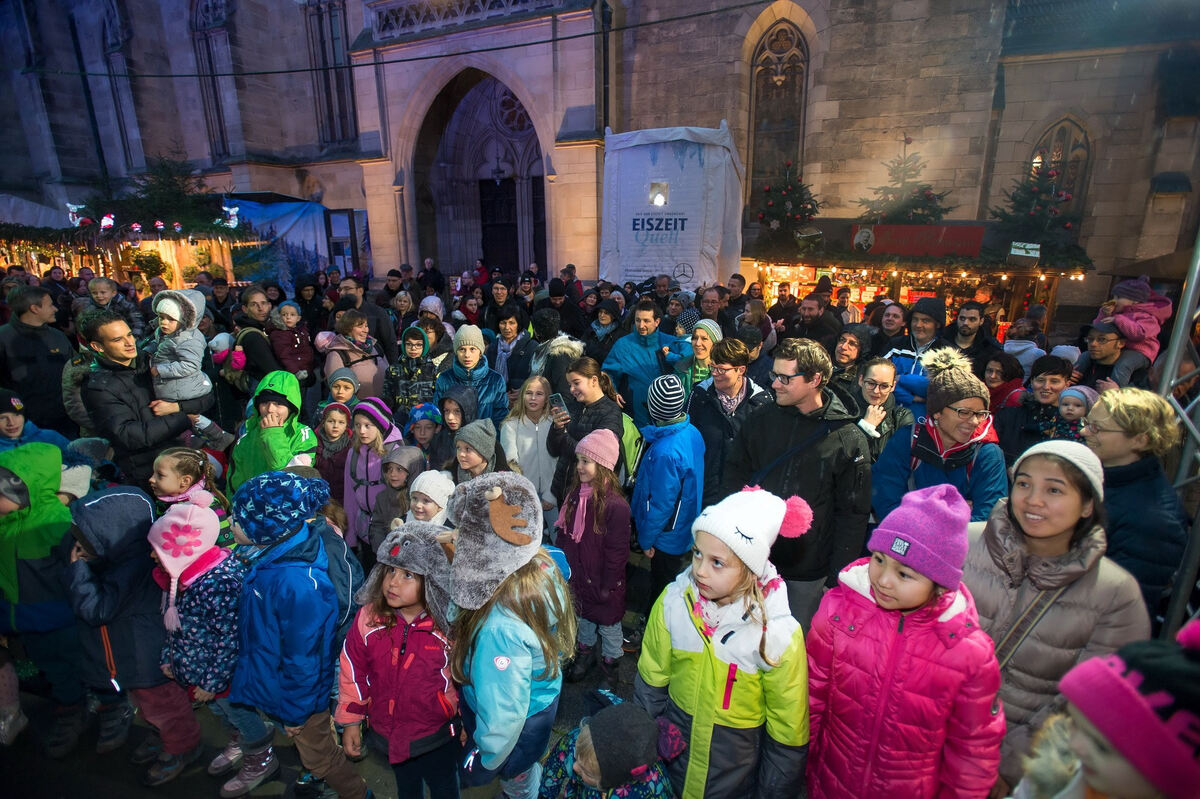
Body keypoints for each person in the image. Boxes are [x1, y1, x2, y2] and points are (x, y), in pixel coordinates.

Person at [962, 440, 1150, 792]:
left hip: (1011, 770)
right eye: (1024, 483)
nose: (1033, 500)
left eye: (1054, 489)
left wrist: (1012, 767)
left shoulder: (1115, 593)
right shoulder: (963, 543)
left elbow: (1088, 705)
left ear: (1087, 505)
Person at [806, 485, 1004, 798]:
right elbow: (811, 699)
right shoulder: (838, 611)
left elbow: (972, 750)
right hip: (830, 781)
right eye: (879, 559)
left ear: (938, 584)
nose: (883, 579)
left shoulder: (968, 653)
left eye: (905, 574)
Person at [634, 487, 811, 798]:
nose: (700, 570)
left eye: (717, 562)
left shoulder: (778, 636)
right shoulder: (673, 604)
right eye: (697, 553)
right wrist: (640, 753)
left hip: (734, 778)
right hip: (671, 763)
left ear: (749, 567)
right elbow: (650, 684)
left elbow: (787, 733)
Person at [228, 471, 368, 799]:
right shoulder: (269, 557)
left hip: (300, 699)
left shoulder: (297, 584)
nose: (230, 523)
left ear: (267, 527)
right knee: (312, 750)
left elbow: (305, 660)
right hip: (281, 686)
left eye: (239, 518)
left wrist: (296, 713)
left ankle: (355, 793)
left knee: (320, 758)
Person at [722, 337, 872, 627]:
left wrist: (838, 573)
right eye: (773, 375)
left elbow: (852, 514)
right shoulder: (761, 420)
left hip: (807, 572)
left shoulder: (847, 439)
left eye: (784, 378)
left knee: (791, 650)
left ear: (815, 379)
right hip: (753, 558)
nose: (775, 384)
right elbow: (733, 476)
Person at [450, 473, 577, 799]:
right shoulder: (542, 567)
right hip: (538, 703)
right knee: (525, 770)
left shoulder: (499, 630)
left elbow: (502, 715)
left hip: (512, 732)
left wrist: (484, 759)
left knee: (515, 781)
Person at [67, 486, 204, 782]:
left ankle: (182, 746)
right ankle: (164, 736)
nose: (81, 548)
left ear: (114, 536)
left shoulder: (127, 571)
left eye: (88, 542)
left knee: (166, 708)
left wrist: (77, 571)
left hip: (145, 661)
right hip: (137, 656)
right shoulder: (128, 560)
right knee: (154, 707)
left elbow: (95, 610)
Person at [1009, 620, 1200, 799]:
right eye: (1074, 723)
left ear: (1171, 773)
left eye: (1102, 747)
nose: (1075, 745)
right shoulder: (1054, 773)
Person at [338, 522, 461, 799]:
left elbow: (465, 678)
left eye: (408, 574)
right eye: (390, 570)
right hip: (387, 733)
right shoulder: (370, 619)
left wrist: (468, 724)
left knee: (444, 787)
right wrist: (351, 721)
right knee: (407, 787)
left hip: (436, 735)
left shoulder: (448, 629)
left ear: (434, 580)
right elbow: (353, 671)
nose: (393, 582)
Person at [149, 493, 248, 786]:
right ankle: (238, 739)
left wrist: (211, 683)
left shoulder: (216, 582)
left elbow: (230, 638)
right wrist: (170, 659)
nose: (153, 556)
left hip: (218, 678)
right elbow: (178, 625)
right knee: (221, 712)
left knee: (237, 714)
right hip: (198, 671)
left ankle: (256, 750)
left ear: (180, 550)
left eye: (157, 549)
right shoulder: (183, 578)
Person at [0, 444, 86, 756]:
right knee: (51, 667)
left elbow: (80, 568)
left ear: (26, 490)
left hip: (61, 618)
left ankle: (102, 704)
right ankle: (71, 705)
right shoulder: (4, 525)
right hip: (25, 618)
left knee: (78, 663)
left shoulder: (56, 523)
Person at [1081, 387, 1188, 618]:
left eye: (1096, 427)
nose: (1083, 431)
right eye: (1087, 422)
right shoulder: (1098, 478)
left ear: (1140, 439)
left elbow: (1124, 613)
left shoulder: (1155, 520)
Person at [872, 349, 1007, 523]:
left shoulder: (988, 453)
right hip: (906, 543)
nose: (974, 421)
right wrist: (953, 512)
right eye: (963, 412)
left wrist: (916, 509)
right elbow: (886, 502)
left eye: (980, 413)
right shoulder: (908, 439)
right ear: (937, 412)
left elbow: (987, 518)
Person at [79, 310, 210, 488]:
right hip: (150, 474)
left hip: (186, 457)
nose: (129, 343)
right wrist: (183, 417)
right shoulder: (98, 387)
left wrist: (177, 407)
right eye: (118, 340)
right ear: (98, 347)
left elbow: (205, 396)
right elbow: (128, 435)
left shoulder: (153, 361)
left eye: (130, 335)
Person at [557, 430, 631, 686]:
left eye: (586, 461)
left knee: (609, 628)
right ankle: (585, 655)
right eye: (578, 460)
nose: (579, 467)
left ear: (603, 466)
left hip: (603, 584)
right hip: (579, 577)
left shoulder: (616, 507)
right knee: (583, 621)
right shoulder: (576, 497)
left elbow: (617, 553)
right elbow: (565, 533)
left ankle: (611, 666)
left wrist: (608, 585)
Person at [632, 375, 705, 605]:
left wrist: (646, 540)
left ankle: (653, 628)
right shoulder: (692, 431)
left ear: (654, 408)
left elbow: (661, 504)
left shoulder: (666, 451)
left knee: (661, 590)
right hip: (683, 525)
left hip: (665, 536)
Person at [686, 337, 772, 506]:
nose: (715, 374)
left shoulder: (762, 403)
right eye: (713, 367)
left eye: (722, 369)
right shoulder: (699, 396)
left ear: (740, 370)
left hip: (743, 499)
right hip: (705, 492)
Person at [539, 700, 679, 799]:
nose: (575, 767)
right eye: (577, 757)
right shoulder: (575, 743)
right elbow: (554, 768)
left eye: (587, 771)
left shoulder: (651, 789)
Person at [0, 286, 77, 438]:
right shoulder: (3, 338)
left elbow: (75, 370)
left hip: (66, 422)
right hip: (24, 428)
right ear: (34, 308)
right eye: (50, 305)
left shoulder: (58, 336)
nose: (55, 309)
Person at [547, 357, 625, 504]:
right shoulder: (573, 406)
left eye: (576, 383)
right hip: (564, 489)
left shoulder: (611, 413)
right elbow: (553, 449)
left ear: (594, 380)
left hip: (589, 495)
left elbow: (593, 456)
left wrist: (564, 435)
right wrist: (556, 428)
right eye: (569, 384)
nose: (571, 390)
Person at [1074, 275, 1171, 387]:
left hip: (1141, 352)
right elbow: (1097, 328)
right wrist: (1104, 314)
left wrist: (1118, 319)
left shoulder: (1148, 317)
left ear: (1135, 300)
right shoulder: (1118, 313)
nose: (1114, 301)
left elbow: (1139, 334)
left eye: (1118, 297)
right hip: (1120, 349)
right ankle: (1072, 377)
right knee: (1085, 355)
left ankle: (1116, 388)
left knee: (1124, 363)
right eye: (1113, 296)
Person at [228, 371, 317, 492]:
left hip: (288, 508)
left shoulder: (304, 435)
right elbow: (234, 483)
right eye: (265, 403)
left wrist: (273, 434)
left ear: (291, 408)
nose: (270, 409)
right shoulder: (246, 438)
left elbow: (293, 478)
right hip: (252, 508)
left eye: (278, 404)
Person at [604, 300, 687, 428]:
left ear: (657, 321)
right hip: (635, 413)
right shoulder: (623, 344)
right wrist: (613, 392)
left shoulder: (669, 342)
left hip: (667, 415)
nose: (641, 325)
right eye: (638, 320)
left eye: (646, 321)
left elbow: (687, 363)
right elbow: (608, 373)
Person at [344, 397, 404, 549]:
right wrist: (350, 536)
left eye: (367, 425)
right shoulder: (353, 453)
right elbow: (349, 496)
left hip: (389, 530)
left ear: (380, 426)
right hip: (362, 531)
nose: (361, 431)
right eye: (357, 425)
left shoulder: (394, 453)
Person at [993, 355, 1075, 464]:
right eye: (1040, 380)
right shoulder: (1007, 416)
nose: (1046, 386)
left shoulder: (1072, 423)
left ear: (1067, 385)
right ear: (1032, 382)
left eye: (1054, 381)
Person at [501, 375, 560, 528]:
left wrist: (551, 495)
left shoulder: (555, 423)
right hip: (525, 496)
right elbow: (511, 464)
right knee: (527, 542)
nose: (533, 398)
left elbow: (560, 462)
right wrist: (525, 495)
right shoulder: (511, 425)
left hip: (553, 493)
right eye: (528, 393)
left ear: (547, 398)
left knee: (559, 539)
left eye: (539, 394)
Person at [148, 446, 233, 548]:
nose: (151, 479)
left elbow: (227, 544)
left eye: (160, 475)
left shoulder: (208, 506)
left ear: (185, 481)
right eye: (153, 473)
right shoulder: (164, 502)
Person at [883, 296, 950, 419]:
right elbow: (877, 379)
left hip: (924, 422)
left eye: (925, 321)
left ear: (938, 324)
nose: (918, 325)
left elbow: (942, 389)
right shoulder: (896, 345)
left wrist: (902, 378)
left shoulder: (946, 352)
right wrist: (910, 397)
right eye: (915, 319)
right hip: (889, 417)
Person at [433, 324, 509, 428]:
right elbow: (438, 415)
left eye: (472, 349)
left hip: (486, 441)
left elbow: (500, 418)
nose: (467, 355)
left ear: (480, 352)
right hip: (453, 441)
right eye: (462, 349)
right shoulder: (444, 379)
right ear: (456, 352)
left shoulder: (495, 380)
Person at [148, 288, 213, 404]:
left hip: (182, 390)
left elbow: (190, 365)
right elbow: (159, 344)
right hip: (167, 386)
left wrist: (160, 370)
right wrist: (148, 351)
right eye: (161, 317)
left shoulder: (189, 340)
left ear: (184, 320)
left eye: (171, 319)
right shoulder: (165, 332)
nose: (164, 322)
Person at [853, 357, 915, 462]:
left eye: (884, 386)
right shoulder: (843, 410)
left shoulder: (902, 417)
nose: (876, 391)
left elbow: (900, 461)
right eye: (871, 383)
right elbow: (837, 457)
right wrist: (865, 428)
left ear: (893, 386)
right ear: (860, 380)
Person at [367, 446, 427, 552]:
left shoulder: (422, 499)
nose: (393, 474)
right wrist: (383, 550)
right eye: (390, 469)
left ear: (413, 471)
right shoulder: (383, 497)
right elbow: (377, 527)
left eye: (399, 469)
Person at [318, 309, 387, 400]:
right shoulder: (337, 354)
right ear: (348, 328)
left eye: (366, 326)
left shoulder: (375, 347)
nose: (365, 330)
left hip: (381, 407)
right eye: (360, 326)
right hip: (356, 410)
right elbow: (337, 389)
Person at [229, 285, 283, 393]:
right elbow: (271, 369)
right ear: (245, 309)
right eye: (254, 304)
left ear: (269, 305)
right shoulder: (252, 335)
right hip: (265, 388)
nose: (260, 308)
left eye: (263, 303)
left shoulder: (265, 327)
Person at [336, 275, 399, 363]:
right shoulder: (337, 313)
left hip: (375, 366)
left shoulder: (377, 313)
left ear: (360, 290)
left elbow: (390, 343)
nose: (342, 293)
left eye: (347, 289)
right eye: (340, 289)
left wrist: (393, 367)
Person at [1075, 320, 1151, 391]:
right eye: (1090, 339)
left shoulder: (1136, 374)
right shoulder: (1084, 367)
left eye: (1102, 339)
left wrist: (1118, 393)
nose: (1093, 344)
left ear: (1121, 343)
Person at [384, 325, 439, 419]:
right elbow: (387, 397)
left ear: (424, 346)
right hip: (399, 418)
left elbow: (437, 398)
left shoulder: (433, 370)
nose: (413, 348)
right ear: (403, 345)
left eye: (418, 345)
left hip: (425, 420)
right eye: (409, 344)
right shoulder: (393, 370)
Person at [940, 300, 1001, 380]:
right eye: (962, 318)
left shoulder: (989, 349)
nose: (965, 323)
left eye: (972, 319)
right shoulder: (940, 342)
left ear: (981, 321)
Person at [0, 389, 71, 453]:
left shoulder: (50, 438)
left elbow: (78, 463)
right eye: (2, 418)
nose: (11, 423)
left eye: (17, 415)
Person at [488, 306, 536, 397]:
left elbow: (537, 377)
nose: (507, 327)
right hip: (498, 399)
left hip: (524, 399)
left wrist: (524, 390)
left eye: (511, 323)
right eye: (503, 323)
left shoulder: (531, 347)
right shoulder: (492, 347)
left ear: (518, 325)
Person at [266, 300, 316, 388]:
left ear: (298, 318)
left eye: (292, 315)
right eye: (284, 315)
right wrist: (296, 371)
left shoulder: (301, 330)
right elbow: (284, 355)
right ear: (278, 316)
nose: (288, 317)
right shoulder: (280, 334)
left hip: (304, 370)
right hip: (293, 374)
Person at [314, 402, 352, 505]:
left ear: (346, 425)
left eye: (341, 422)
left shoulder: (351, 446)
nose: (335, 426)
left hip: (342, 498)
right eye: (331, 421)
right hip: (317, 496)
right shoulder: (313, 441)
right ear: (323, 422)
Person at [450, 418, 504, 484]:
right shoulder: (448, 480)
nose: (461, 454)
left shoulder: (504, 481)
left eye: (468, 449)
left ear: (484, 452)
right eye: (458, 448)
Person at [829, 323, 873, 395]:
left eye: (852, 344)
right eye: (842, 340)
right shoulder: (822, 364)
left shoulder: (865, 375)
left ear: (862, 349)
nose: (843, 347)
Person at [583, 298, 622, 364]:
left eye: (606, 313)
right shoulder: (591, 329)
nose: (602, 315)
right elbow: (581, 347)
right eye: (600, 312)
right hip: (588, 368)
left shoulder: (620, 334)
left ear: (614, 315)